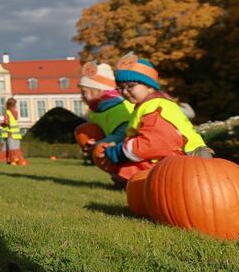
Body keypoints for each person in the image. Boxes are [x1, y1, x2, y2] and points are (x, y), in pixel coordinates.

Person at [101, 54, 212, 183]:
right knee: (126, 170)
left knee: (129, 171)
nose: (125, 92)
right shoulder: (151, 105)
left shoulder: (154, 109)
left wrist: (121, 151)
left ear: (149, 86)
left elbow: (154, 143)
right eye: (120, 88)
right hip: (179, 159)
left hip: (186, 163)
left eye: (130, 86)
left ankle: (137, 183)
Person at [77, 61, 134, 179]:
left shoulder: (118, 109)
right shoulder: (96, 110)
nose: (81, 96)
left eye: (84, 92)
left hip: (129, 147)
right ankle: (119, 177)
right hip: (113, 146)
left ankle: (125, 178)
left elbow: (122, 133)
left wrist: (99, 143)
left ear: (98, 91)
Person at [0, 97, 25, 164]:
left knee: (10, 147)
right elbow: (14, 119)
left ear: (7, 105)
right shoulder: (15, 113)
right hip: (16, 134)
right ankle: (17, 159)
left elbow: (6, 123)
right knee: (15, 147)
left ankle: (12, 160)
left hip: (10, 133)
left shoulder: (7, 113)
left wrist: (1, 124)